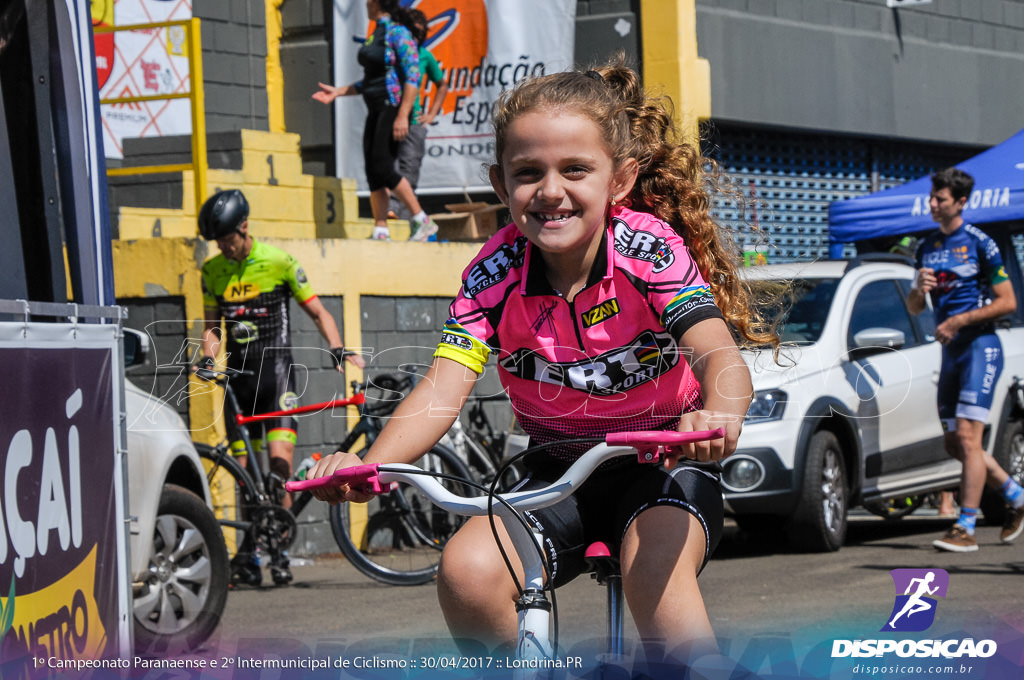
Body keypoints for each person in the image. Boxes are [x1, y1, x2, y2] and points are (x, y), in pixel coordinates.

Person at [306, 59, 776, 666]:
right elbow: (441, 392)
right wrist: (367, 465)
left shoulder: (648, 249)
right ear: (502, 186)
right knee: (466, 572)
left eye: (576, 170)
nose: (551, 191)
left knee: (653, 576)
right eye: (529, 173)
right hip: (558, 471)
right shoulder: (491, 276)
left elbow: (718, 352)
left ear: (620, 180)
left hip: (663, 463)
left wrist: (717, 416)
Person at [197, 189, 365, 580]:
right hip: (238, 384)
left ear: (245, 226)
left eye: (229, 239)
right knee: (245, 477)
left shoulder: (279, 262)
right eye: (218, 242)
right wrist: (208, 355)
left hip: (277, 377)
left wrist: (337, 348)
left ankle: (278, 552)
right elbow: (212, 328)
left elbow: (319, 311)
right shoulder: (213, 271)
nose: (225, 248)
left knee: (277, 471)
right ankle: (251, 555)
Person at [907, 168, 1024, 552]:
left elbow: (1007, 301)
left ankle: (966, 527)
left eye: (940, 199)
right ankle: (1016, 495)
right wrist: (919, 292)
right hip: (950, 352)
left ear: (960, 202)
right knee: (956, 444)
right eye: (932, 198)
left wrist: (959, 320)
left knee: (971, 439)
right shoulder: (925, 247)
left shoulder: (979, 243)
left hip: (980, 347)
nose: (933, 204)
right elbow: (915, 306)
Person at [313, 0, 438, 242]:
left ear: (377, 2)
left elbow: (413, 76)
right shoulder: (376, 34)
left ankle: (423, 220)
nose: (365, 3)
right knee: (373, 171)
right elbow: (369, 81)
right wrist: (338, 91)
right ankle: (381, 229)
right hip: (374, 108)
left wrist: (403, 115)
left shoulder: (399, 33)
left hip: (391, 107)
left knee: (383, 166)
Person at [387, 8, 449, 221]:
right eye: (412, 31)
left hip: (412, 123)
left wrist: (431, 114)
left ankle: (402, 217)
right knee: (387, 168)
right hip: (387, 118)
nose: (415, 37)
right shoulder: (392, 52)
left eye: (420, 33)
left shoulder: (424, 56)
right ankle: (389, 213)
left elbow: (442, 84)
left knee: (408, 170)